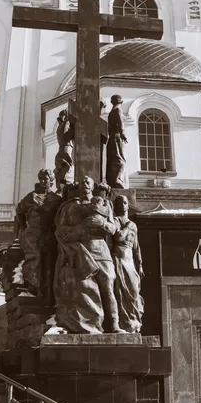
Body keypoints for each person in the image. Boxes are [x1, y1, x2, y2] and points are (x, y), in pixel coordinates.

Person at [54, 175, 124, 334]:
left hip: (101, 251)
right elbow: (59, 229)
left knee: (108, 287)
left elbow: (113, 229)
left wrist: (103, 224)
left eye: (88, 182)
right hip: (81, 252)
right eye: (82, 182)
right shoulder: (69, 207)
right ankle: (91, 325)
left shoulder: (105, 205)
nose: (85, 184)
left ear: (92, 187)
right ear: (78, 187)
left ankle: (114, 325)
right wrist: (75, 232)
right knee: (84, 288)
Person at [14, 169, 62, 305]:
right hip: (33, 235)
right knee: (35, 262)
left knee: (48, 265)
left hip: (49, 235)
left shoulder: (57, 199)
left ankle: (47, 295)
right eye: (40, 179)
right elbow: (19, 211)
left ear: (51, 181)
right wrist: (24, 228)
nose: (42, 182)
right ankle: (34, 289)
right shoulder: (32, 196)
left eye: (45, 179)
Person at [112, 195, 144, 333]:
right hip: (119, 258)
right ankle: (124, 323)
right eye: (119, 203)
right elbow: (118, 237)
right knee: (121, 292)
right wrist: (128, 227)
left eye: (125, 202)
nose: (122, 205)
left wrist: (140, 264)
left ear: (128, 205)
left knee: (133, 290)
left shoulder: (133, 225)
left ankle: (134, 321)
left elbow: (136, 247)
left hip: (130, 260)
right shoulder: (115, 220)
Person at [106, 94, 128, 188]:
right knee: (120, 158)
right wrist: (122, 133)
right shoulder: (118, 110)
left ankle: (113, 180)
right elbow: (120, 122)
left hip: (112, 137)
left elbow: (109, 127)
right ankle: (117, 179)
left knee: (113, 158)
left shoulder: (111, 112)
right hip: (117, 136)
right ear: (121, 102)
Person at [53, 109, 74, 193]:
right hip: (67, 147)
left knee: (61, 168)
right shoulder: (66, 122)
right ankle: (66, 187)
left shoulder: (59, 125)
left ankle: (60, 187)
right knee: (68, 167)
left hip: (61, 149)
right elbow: (66, 135)